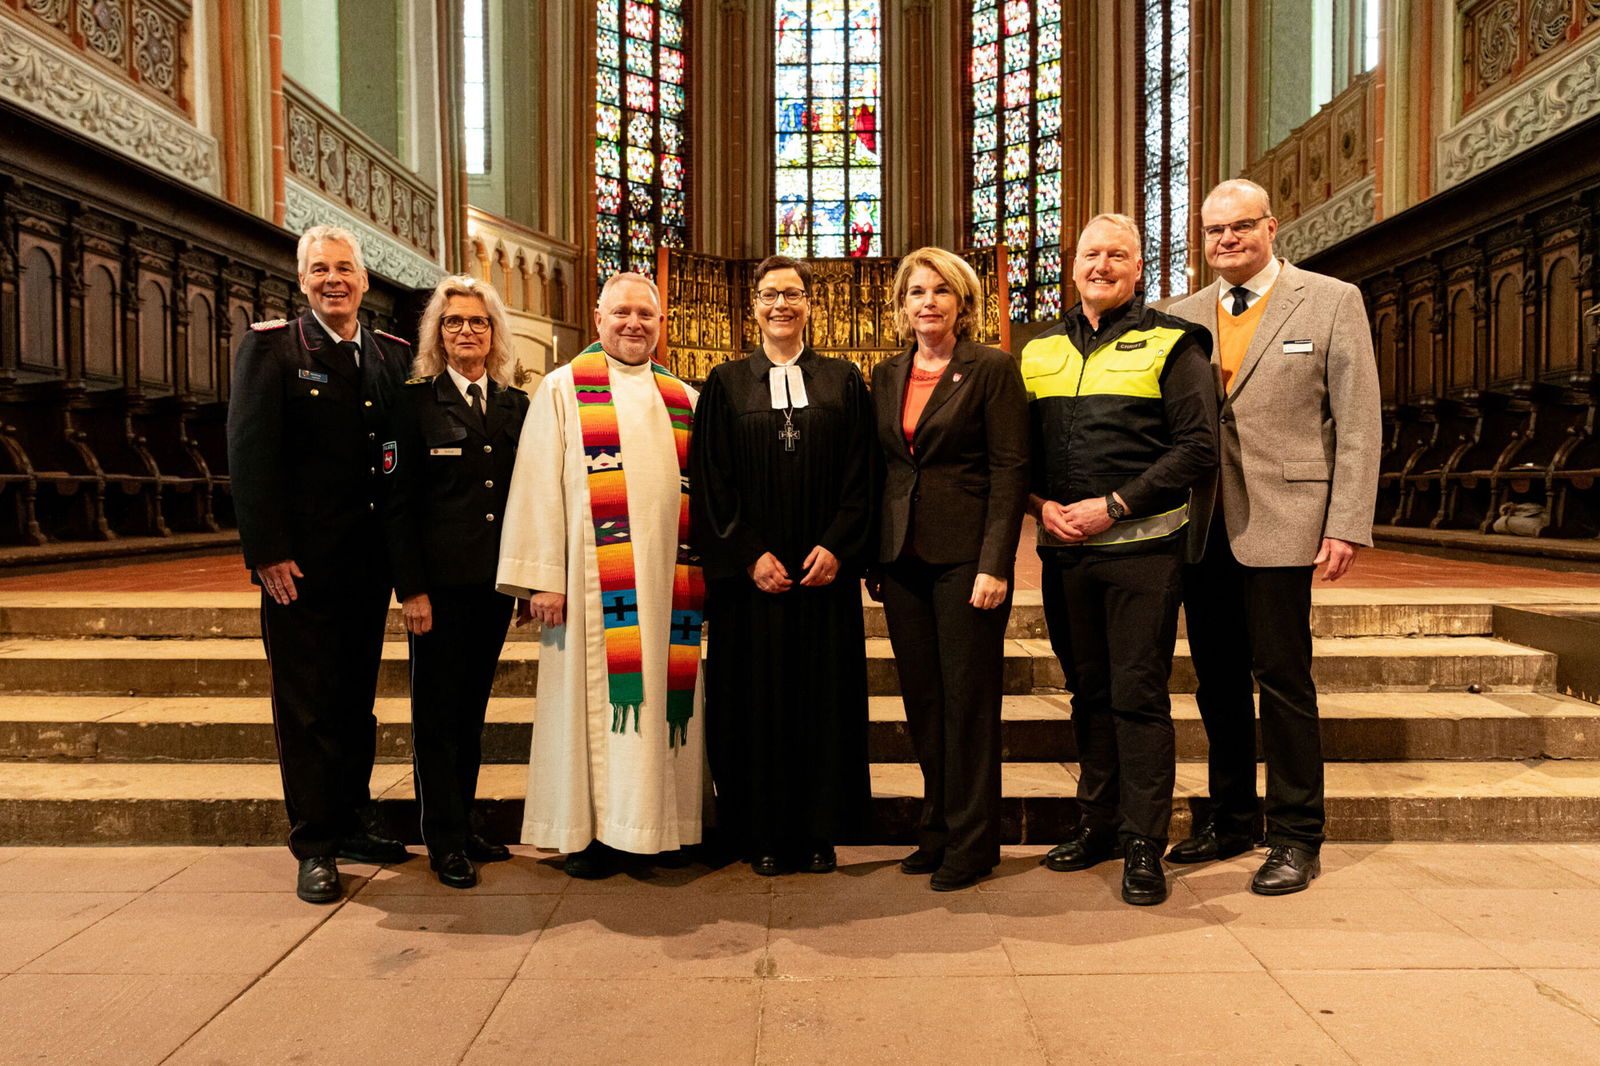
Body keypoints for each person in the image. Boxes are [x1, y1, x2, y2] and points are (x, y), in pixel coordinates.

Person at [1166, 179, 1381, 895]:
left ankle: (1296, 835)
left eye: (1240, 226)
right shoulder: (1180, 315)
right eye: (1214, 230)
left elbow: (1358, 422)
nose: (1226, 239)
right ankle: (1231, 819)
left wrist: (1345, 523)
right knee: (1217, 682)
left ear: (1271, 226)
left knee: (1283, 680)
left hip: (1286, 519)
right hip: (1202, 523)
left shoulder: (1330, 300)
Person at [1024, 214, 1217, 907]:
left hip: (1142, 553)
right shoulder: (1038, 349)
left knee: (1136, 696)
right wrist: (1037, 504)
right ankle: (1098, 823)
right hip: (1065, 555)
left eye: (1116, 255)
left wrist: (1115, 505)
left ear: (1139, 267)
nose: (1101, 266)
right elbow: (1016, 454)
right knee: (1088, 692)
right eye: (1090, 254)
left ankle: (1143, 842)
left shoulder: (1174, 343)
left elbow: (1198, 448)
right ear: (1072, 265)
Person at [495, 272, 705, 879]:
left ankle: (659, 827)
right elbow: (537, 485)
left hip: (668, 589)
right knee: (588, 709)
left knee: (665, 705)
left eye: (645, 314)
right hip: (590, 591)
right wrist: (544, 578)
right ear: (598, 318)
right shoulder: (563, 389)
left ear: (661, 324)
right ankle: (590, 834)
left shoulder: (684, 399)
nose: (633, 323)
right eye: (621, 313)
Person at [227, 225, 412, 904]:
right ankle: (315, 844)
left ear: (364, 280)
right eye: (319, 269)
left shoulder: (391, 355)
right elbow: (249, 453)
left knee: (355, 700)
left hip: (367, 564)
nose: (333, 279)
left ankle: (355, 815)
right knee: (306, 706)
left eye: (343, 268)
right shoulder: (273, 348)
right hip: (299, 567)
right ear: (301, 280)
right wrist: (266, 552)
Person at [690, 254, 875, 877]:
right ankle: (761, 833)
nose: (781, 305)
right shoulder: (725, 383)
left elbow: (862, 474)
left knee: (823, 703)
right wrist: (748, 554)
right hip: (754, 585)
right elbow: (710, 481)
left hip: (824, 577)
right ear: (754, 306)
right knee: (756, 704)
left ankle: (820, 832)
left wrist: (838, 546)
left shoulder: (843, 380)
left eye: (793, 294)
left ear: (809, 304)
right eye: (770, 294)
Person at [871, 246, 1028, 892]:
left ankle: (973, 841)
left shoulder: (991, 368)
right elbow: (882, 468)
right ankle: (935, 828)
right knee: (924, 702)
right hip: (902, 561)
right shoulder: (886, 374)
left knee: (968, 703)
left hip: (967, 560)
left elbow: (1010, 469)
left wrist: (996, 563)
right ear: (902, 305)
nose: (928, 302)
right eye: (917, 291)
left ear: (962, 303)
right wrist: (874, 555)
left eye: (940, 290)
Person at [382, 275, 529, 889]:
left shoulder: (515, 405)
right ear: (437, 335)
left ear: (494, 333)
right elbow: (397, 504)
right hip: (438, 592)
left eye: (477, 322)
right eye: (453, 322)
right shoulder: (413, 403)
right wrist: (411, 589)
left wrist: (526, 581)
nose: (466, 331)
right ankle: (442, 839)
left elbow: (525, 500)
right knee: (438, 716)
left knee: (471, 713)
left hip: (492, 588)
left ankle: (464, 824)